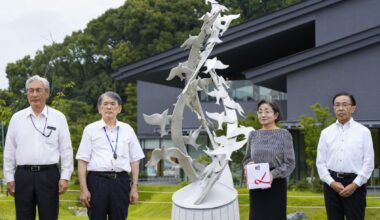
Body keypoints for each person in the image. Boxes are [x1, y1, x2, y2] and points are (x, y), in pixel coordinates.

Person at [3, 75, 74, 219]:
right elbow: (9, 151)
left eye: (38, 90)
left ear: (47, 93)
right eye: (31, 90)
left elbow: (66, 149)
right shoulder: (17, 118)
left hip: (49, 175)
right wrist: (9, 178)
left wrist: (65, 177)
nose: (34, 94)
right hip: (23, 176)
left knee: (49, 216)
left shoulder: (58, 117)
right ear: (27, 93)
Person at [76, 91, 145, 220]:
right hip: (97, 182)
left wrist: (134, 187)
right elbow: (82, 161)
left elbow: (135, 160)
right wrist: (83, 189)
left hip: (121, 182)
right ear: (99, 109)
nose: (109, 107)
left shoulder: (128, 129)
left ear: (119, 108)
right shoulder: (90, 129)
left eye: (113, 104)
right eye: (105, 104)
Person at [316, 92, 374, 220]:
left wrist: (355, 184)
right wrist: (331, 182)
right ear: (333, 108)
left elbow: (369, 163)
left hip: (355, 184)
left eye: (344, 104)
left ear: (353, 108)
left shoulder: (363, 132)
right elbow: (320, 163)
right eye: (337, 105)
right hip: (331, 184)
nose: (340, 108)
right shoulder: (326, 133)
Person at [243, 100, 295, 220]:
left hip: (276, 183)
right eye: (260, 112)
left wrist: (272, 174)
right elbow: (246, 159)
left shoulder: (284, 134)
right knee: (257, 216)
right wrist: (248, 165)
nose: (263, 115)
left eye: (267, 111)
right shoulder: (253, 135)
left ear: (276, 115)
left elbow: (290, 163)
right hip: (256, 183)